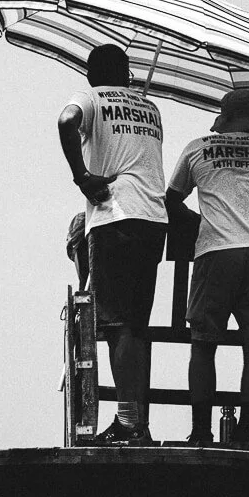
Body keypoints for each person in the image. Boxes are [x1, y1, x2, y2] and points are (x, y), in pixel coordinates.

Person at [57, 44, 168, 445]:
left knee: (118, 326)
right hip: (154, 222)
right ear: (127, 74)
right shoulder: (151, 109)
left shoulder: (87, 98)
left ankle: (127, 422)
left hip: (115, 217)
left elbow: (66, 120)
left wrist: (81, 176)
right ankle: (137, 420)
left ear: (90, 75)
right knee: (134, 326)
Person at [167, 89, 249, 445]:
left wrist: (198, 222)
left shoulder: (197, 147)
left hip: (216, 252)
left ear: (224, 119)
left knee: (203, 345)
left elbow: (171, 201)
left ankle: (201, 432)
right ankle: (244, 432)